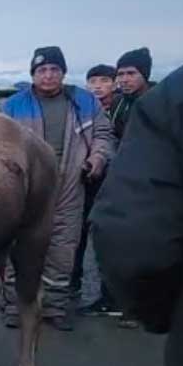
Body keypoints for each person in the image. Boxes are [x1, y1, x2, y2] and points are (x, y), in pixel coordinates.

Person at [91, 61, 183, 366]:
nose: (120, 81)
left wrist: (167, 314)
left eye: (126, 74)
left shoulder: (176, 96)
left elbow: (135, 240)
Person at [2, 46, 115, 331]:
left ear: (63, 73)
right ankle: (16, 307)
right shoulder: (14, 105)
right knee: (19, 244)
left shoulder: (84, 101)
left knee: (63, 246)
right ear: (33, 74)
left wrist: (97, 159)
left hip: (71, 179)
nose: (48, 75)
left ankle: (54, 307)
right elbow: (0, 144)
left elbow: (103, 134)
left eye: (55, 69)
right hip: (26, 183)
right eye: (42, 70)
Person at [72, 64, 119, 316]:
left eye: (104, 80)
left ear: (114, 83)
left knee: (106, 239)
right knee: (76, 235)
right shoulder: (81, 109)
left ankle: (112, 297)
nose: (98, 86)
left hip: (114, 184)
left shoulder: (122, 109)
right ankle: (73, 283)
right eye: (93, 81)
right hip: (85, 181)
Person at [111, 47, 153, 139]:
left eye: (131, 73)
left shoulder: (162, 101)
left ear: (144, 75)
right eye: (120, 74)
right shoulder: (117, 103)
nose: (124, 80)